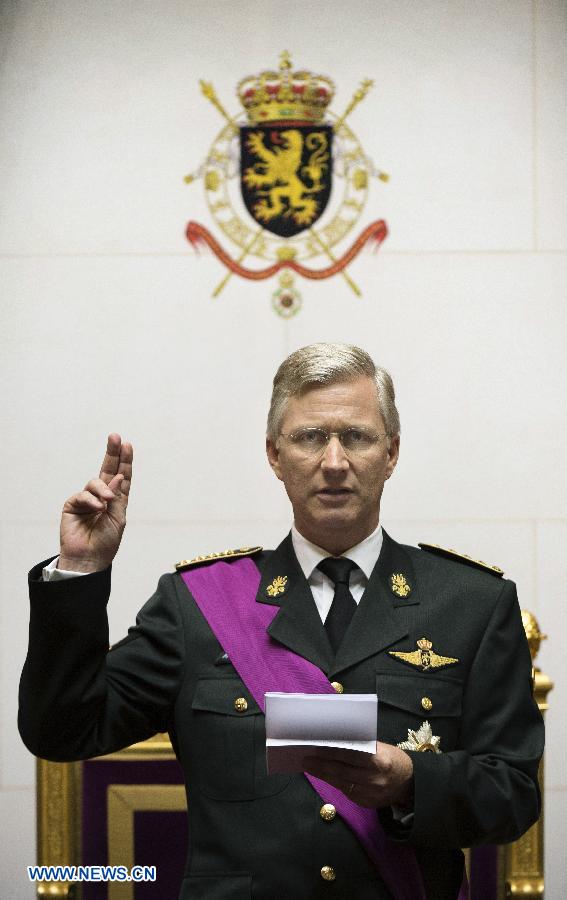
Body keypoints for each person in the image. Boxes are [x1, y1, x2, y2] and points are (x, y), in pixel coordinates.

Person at [19, 343, 543, 900]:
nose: (334, 461)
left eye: (357, 437)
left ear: (391, 453)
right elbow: (61, 730)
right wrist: (80, 569)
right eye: (310, 437)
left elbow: (513, 795)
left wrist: (414, 782)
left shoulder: (472, 603)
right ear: (274, 455)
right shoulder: (196, 605)